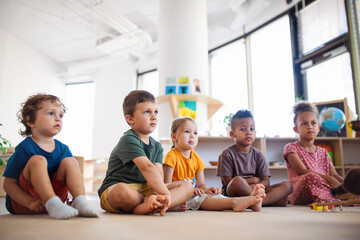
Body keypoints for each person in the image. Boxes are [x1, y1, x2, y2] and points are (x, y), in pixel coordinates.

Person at [3, 94, 98, 219]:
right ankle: (52, 203)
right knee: (38, 160)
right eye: (51, 113)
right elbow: (8, 184)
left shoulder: (63, 149)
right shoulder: (25, 148)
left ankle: (80, 201)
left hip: (58, 201)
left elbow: (71, 177)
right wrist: (29, 202)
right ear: (30, 121)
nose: (58, 118)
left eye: (60, 115)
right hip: (28, 203)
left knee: (70, 161)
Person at [97, 90, 193, 216]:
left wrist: (155, 193)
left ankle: (155, 204)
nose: (153, 116)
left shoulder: (157, 146)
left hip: (146, 189)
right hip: (122, 189)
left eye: (156, 112)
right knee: (121, 191)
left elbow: (158, 173)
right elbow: (146, 167)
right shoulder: (129, 139)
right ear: (130, 119)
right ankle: (160, 204)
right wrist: (166, 194)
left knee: (188, 186)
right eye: (147, 112)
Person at [163, 117, 266, 212]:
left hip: (194, 194)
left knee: (215, 197)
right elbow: (166, 185)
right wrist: (189, 191)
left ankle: (250, 203)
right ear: (174, 136)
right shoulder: (171, 156)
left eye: (195, 133)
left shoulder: (197, 158)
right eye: (187, 132)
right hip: (181, 196)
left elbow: (201, 185)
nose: (192, 136)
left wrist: (208, 190)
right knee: (204, 201)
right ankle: (235, 203)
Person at [217, 110, 292, 206]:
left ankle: (258, 202)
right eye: (243, 129)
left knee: (287, 185)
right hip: (235, 193)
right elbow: (229, 183)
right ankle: (265, 201)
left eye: (252, 129)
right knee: (237, 181)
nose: (248, 132)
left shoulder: (258, 154)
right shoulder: (227, 154)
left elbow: (266, 181)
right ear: (232, 134)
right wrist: (252, 181)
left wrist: (255, 186)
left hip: (256, 189)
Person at [283, 101, 344, 204]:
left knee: (350, 181)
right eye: (304, 123)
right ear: (296, 129)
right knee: (311, 177)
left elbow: (334, 175)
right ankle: (330, 199)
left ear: (318, 128)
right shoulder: (291, 148)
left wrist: (348, 184)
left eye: (313, 123)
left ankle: (336, 197)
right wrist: (329, 179)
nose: (310, 126)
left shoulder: (323, 152)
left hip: (325, 185)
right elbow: (303, 171)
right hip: (301, 190)